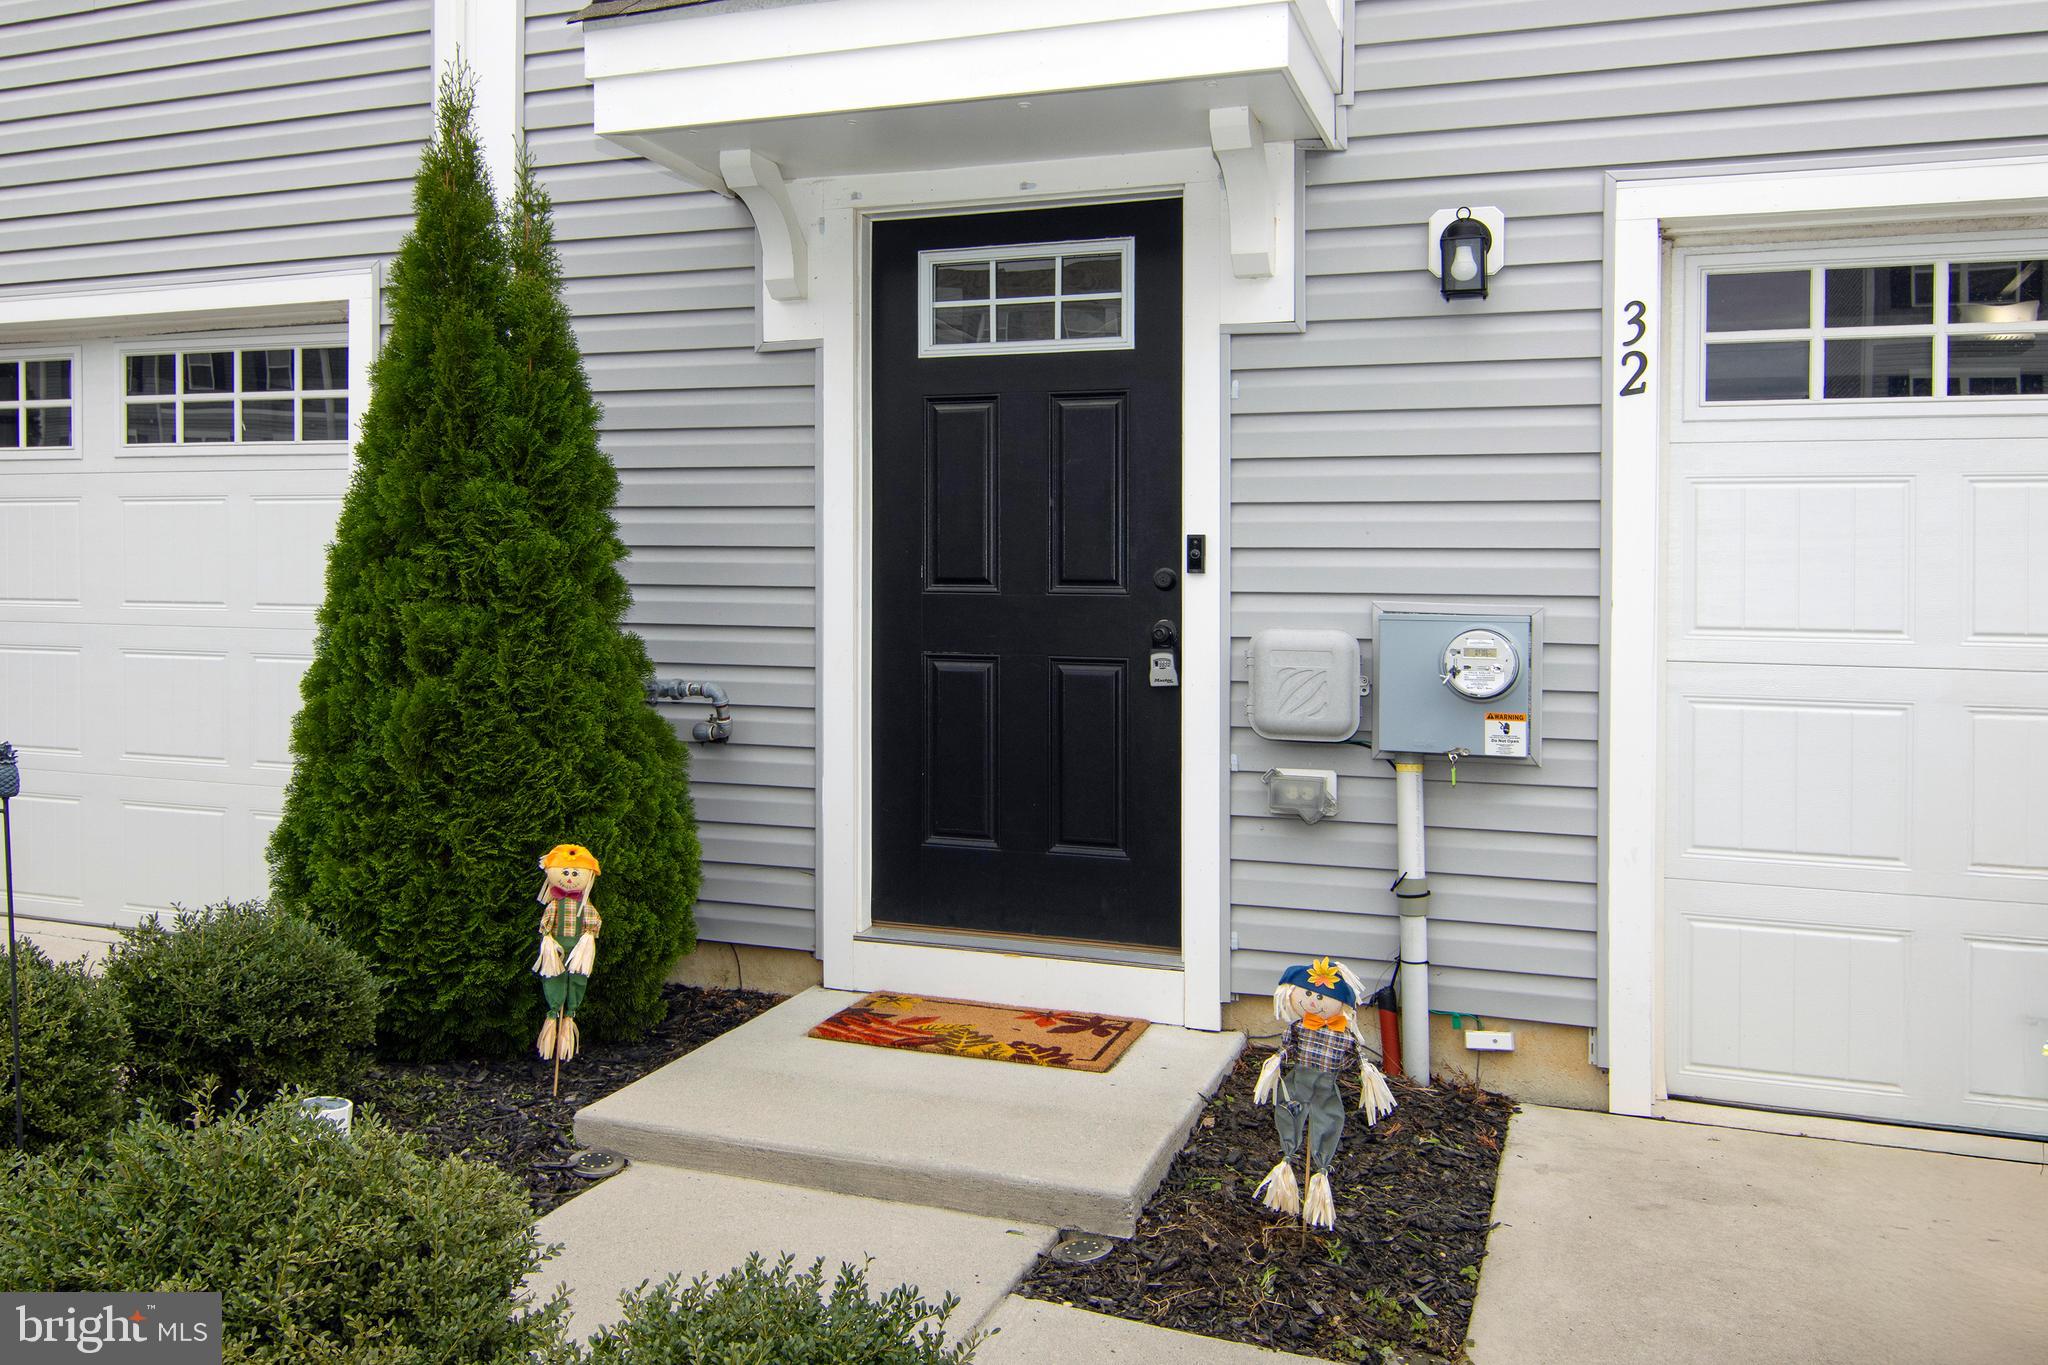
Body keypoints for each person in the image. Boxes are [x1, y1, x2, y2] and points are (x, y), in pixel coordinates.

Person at [1251, 956, 1395, 1230]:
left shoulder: (1343, 1036)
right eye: (1307, 994)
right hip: (1297, 1083)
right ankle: (1287, 1166)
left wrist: (1368, 1074)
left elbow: (1356, 1057)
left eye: (1321, 997)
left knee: (1327, 1122)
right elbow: (1288, 1048)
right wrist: (1277, 1061)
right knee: (1289, 1116)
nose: (1314, 1002)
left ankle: (1320, 1176)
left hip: (1326, 1087)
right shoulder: (1298, 1028)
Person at [534, 843, 601, 1063]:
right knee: (554, 977)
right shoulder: (554, 904)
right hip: (557, 950)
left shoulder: (585, 905)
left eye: (575, 873)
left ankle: (570, 1015)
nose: (570, 878)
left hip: (579, 951)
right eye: (565, 873)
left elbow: (593, 923)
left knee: (578, 979)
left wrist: (588, 937)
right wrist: (547, 939)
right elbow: (545, 925)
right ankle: (554, 1014)